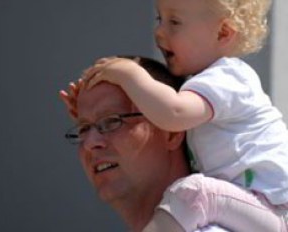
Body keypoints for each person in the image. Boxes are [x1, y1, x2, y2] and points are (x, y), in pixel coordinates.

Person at [75, 0, 288, 231]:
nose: (159, 31)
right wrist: (90, 115)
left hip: (270, 207)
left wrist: (128, 74)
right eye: (160, 19)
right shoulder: (204, 90)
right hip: (252, 208)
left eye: (174, 22)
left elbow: (173, 113)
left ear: (223, 32)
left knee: (193, 193)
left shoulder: (229, 77)